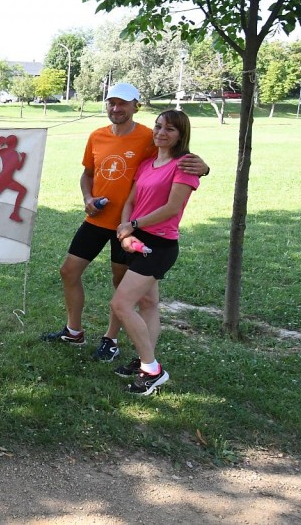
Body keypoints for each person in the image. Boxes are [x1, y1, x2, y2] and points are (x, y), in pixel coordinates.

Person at [42, 83, 209, 361]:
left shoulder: (149, 137)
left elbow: (176, 160)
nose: (116, 108)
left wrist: (204, 168)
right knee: (68, 271)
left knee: (121, 285)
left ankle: (111, 339)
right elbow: (87, 174)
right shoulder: (97, 136)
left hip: (131, 227)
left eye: (123, 103)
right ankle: (74, 331)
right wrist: (87, 198)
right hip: (98, 219)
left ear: (136, 106)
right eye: (112, 102)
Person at [111, 109, 200, 394]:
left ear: (181, 134)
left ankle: (152, 370)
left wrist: (133, 225)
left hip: (158, 245)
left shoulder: (184, 166)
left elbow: (172, 208)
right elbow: (131, 200)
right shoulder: (148, 163)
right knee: (148, 304)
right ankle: (143, 359)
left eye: (170, 129)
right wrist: (126, 229)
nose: (161, 132)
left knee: (121, 304)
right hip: (137, 240)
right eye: (158, 126)